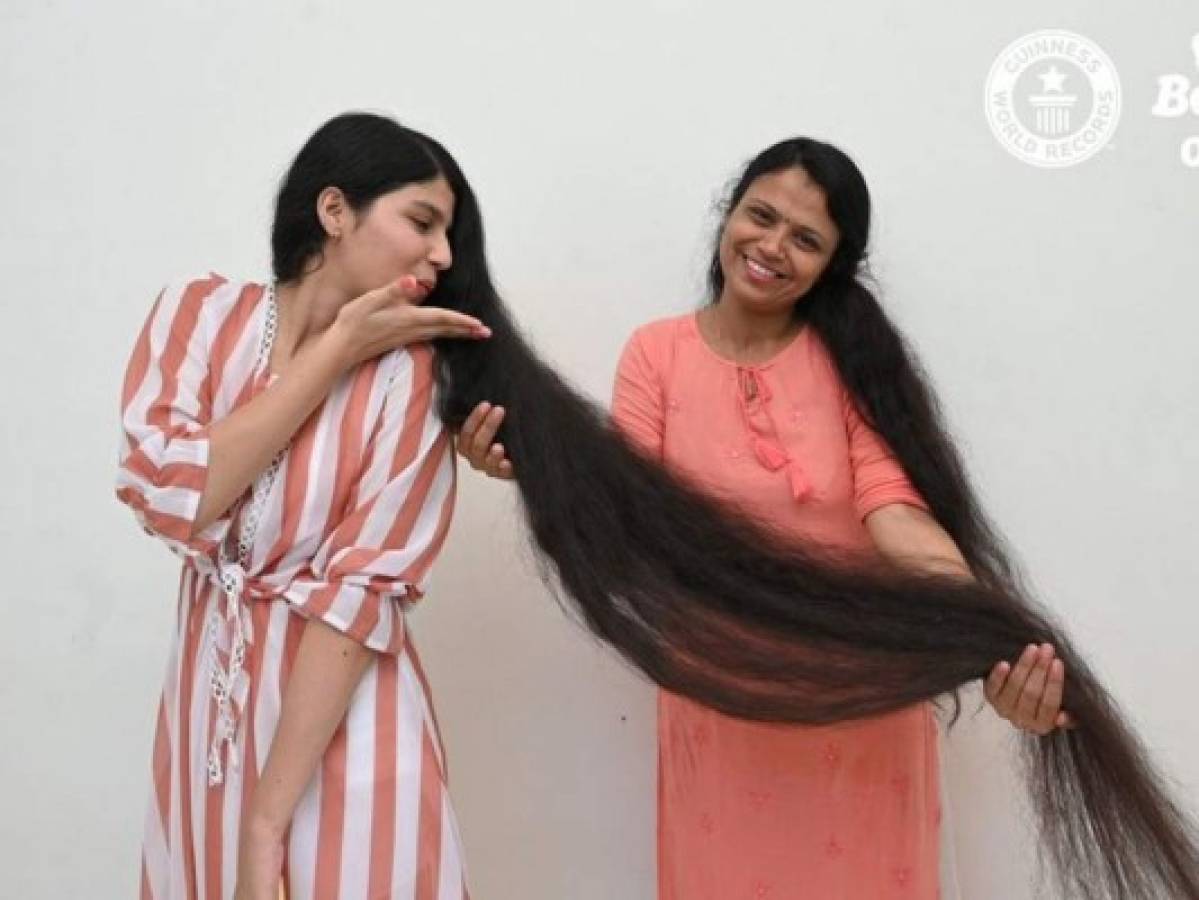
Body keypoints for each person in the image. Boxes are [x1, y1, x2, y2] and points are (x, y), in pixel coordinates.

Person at [457, 138, 1072, 898]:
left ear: (832, 264)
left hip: (861, 716)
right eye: (761, 216)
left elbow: (896, 515)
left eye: (805, 239)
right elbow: (626, 524)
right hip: (722, 706)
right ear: (730, 213)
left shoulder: (851, 364)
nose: (772, 246)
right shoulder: (656, 356)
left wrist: (992, 635)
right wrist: (531, 467)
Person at [117, 113, 491, 900]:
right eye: (421, 222)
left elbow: (357, 600)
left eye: (448, 234)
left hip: (341, 736)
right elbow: (172, 496)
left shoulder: (414, 380)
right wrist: (331, 354)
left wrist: (267, 826)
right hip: (205, 727)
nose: (443, 255)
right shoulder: (198, 314)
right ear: (334, 211)